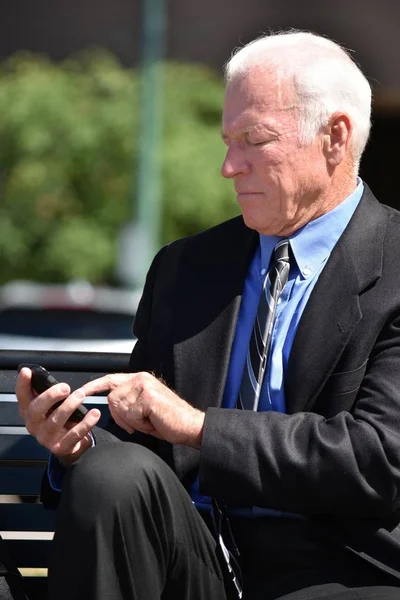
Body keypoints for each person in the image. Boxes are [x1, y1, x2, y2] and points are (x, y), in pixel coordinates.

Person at [15, 30, 400, 600]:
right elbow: (146, 452)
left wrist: (199, 427)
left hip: (341, 568)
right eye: (227, 140)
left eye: (253, 139)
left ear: (335, 137)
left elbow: (379, 459)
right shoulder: (185, 268)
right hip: (196, 557)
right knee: (110, 474)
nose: (228, 167)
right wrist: (79, 447)